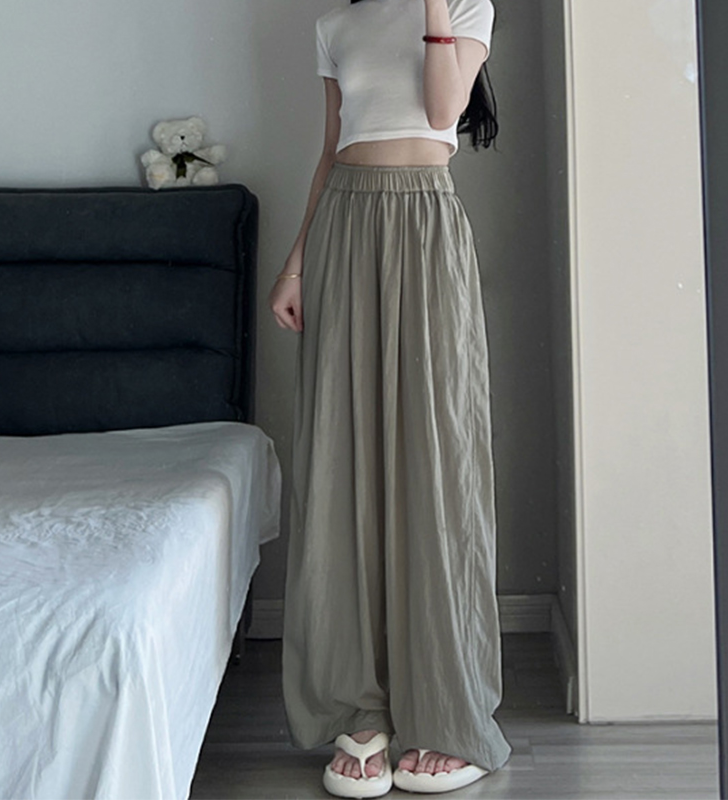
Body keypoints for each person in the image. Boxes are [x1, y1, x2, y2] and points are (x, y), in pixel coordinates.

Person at [269, 0, 512, 795]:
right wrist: (297, 263)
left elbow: (442, 110)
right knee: (343, 461)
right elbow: (330, 152)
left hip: (426, 222)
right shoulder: (335, 26)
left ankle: (445, 711)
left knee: (435, 460)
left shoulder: (466, 7)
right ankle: (362, 709)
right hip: (344, 225)